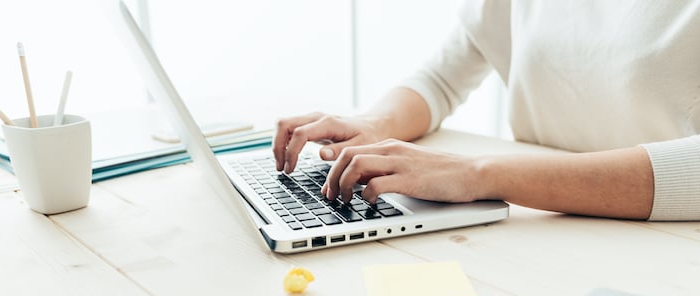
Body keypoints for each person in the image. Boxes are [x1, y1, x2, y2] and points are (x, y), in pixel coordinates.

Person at [272, 0, 700, 221]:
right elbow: (441, 79)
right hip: (542, 225)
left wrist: (478, 174)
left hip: (667, 244)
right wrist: (373, 124)